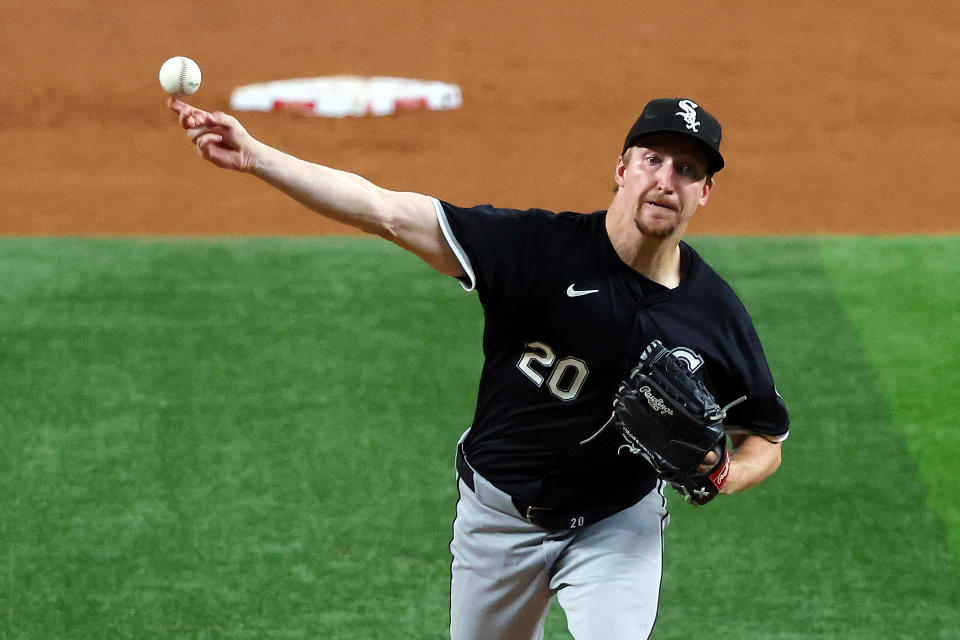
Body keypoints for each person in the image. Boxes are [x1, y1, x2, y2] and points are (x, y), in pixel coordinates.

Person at [168, 96, 789, 639]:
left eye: (687, 170)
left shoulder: (715, 315)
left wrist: (727, 474)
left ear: (704, 193)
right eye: (652, 160)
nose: (666, 180)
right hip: (499, 519)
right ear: (621, 169)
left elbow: (767, 435)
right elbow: (385, 211)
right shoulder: (536, 250)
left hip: (615, 526)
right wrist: (257, 157)